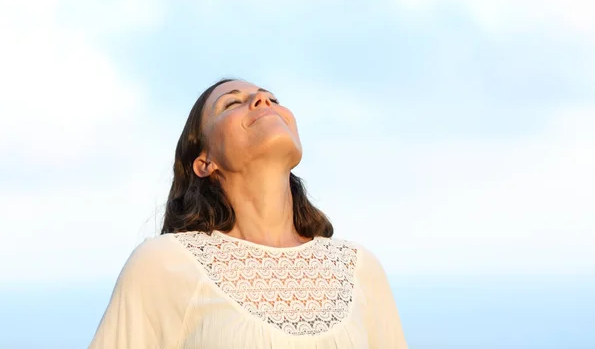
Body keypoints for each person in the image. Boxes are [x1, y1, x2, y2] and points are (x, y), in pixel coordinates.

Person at [89, 78, 409, 348]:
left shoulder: (359, 268)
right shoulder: (164, 262)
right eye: (231, 104)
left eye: (272, 98)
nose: (262, 100)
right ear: (204, 162)